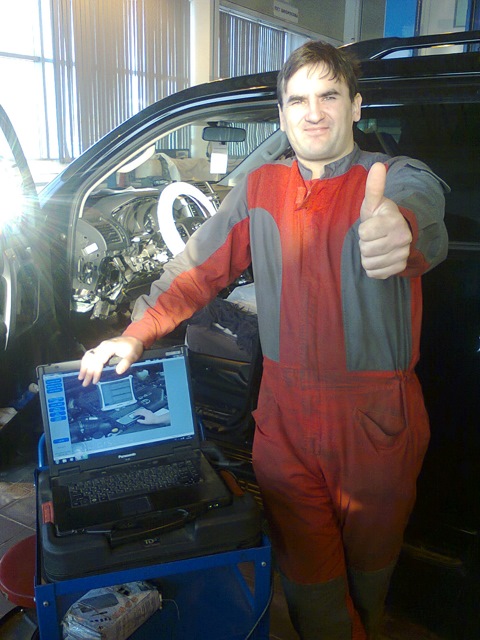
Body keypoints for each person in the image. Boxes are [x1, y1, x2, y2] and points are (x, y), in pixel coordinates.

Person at [79, 41, 448, 639]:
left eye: (330, 96)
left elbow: (424, 209)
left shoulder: (394, 178)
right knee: (311, 588)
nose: (314, 112)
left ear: (357, 106)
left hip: (376, 428)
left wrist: (398, 229)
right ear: (281, 114)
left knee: (370, 580)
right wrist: (136, 333)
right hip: (285, 426)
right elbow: (195, 271)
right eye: (298, 100)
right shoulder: (259, 189)